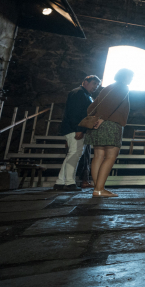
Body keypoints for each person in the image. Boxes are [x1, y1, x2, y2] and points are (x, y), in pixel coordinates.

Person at [85, 68, 133, 198]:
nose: (131, 78)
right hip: (111, 124)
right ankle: (99, 189)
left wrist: (95, 118)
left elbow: (91, 107)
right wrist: (103, 117)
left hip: (98, 124)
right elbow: (113, 104)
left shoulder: (107, 88)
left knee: (98, 156)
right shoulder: (123, 87)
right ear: (125, 76)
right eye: (130, 76)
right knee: (111, 155)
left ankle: (97, 188)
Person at [53, 75, 100, 191]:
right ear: (85, 82)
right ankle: (69, 182)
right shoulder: (79, 93)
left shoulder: (84, 94)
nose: (95, 87)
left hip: (76, 128)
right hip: (75, 129)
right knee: (75, 154)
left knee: (73, 154)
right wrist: (78, 129)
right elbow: (75, 113)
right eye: (94, 83)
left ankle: (60, 182)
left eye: (97, 85)